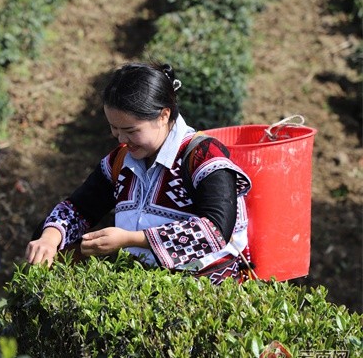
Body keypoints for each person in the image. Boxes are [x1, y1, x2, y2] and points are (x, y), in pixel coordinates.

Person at [25, 62, 253, 284]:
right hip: (139, 290)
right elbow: (80, 207)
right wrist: (49, 238)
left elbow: (215, 230)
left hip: (201, 294)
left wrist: (132, 239)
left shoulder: (202, 156)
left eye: (131, 130)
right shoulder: (121, 160)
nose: (121, 139)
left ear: (163, 116)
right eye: (114, 129)